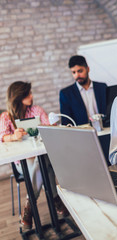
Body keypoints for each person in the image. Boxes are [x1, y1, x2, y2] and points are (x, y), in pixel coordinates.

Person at [0, 81, 67, 230]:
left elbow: (47, 126)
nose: (32, 96)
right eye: (28, 94)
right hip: (22, 163)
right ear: (18, 97)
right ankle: (55, 199)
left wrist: (51, 126)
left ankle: (29, 208)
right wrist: (13, 136)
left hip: (39, 157)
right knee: (46, 167)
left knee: (42, 160)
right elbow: (2, 137)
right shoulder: (6, 117)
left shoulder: (36, 110)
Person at [59, 55, 107, 126]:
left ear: (88, 69)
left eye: (80, 71)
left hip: (104, 130)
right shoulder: (66, 94)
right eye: (74, 72)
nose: (77, 75)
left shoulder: (102, 87)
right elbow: (66, 122)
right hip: (82, 134)